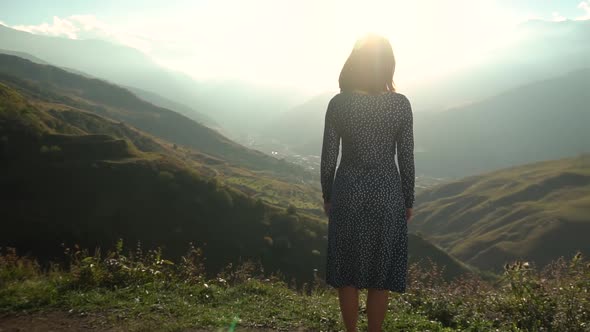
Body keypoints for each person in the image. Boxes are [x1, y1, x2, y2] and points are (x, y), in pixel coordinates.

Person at [320, 34, 415, 332]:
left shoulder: (339, 104)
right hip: (388, 193)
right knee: (381, 272)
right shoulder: (400, 105)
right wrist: (407, 200)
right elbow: (407, 158)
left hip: (347, 191)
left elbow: (328, 158)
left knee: (346, 271)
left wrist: (328, 195)